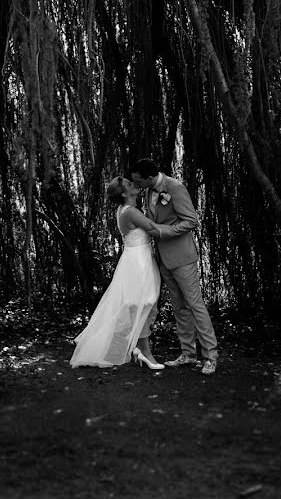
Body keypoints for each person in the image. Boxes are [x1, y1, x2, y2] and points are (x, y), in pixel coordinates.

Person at [130, 158, 219, 375]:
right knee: (179, 307)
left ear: (150, 177)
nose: (136, 185)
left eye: (138, 181)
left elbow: (191, 220)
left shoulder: (174, 188)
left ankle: (210, 357)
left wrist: (162, 231)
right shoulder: (149, 190)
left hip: (182, 257)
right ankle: (187, 354)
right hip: (163, 258)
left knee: (195, 305)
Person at [70, 175, 165, 369]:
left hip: (136, 259)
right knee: (142, 304)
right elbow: (154, 228)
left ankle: (140, 349)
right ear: (123, 193)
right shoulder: (130, 212)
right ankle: (145, 353)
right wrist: (183, 224)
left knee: (141, 305)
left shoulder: (123, 210)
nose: (134, 184)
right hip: (139, 263)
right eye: (129, 184)